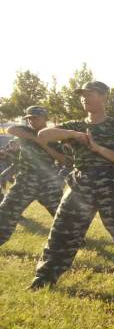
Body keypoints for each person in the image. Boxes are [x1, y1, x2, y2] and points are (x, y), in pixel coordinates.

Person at [30, 81, 114, 290]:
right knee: (62, 232)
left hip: (112, 185)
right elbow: (42, 135)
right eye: (82, 95)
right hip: (81, 185)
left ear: (103, 97)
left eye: (90, 94)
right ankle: (43, 278)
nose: (84, 98)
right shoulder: (76, 125)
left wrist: (98, 148)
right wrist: (74, 134)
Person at [0, 106, 65, 247]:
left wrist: (45, 145)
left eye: (35, 118)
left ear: (45, 118)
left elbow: (62, 159)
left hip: (48, 183)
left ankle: (74, 241)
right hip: (25, 181)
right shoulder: (26, 132)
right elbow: (11, 129)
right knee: (6, 211)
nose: (31, 121)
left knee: (62, 215)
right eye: (29, 118)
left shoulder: (53, 135)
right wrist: (35, 138)